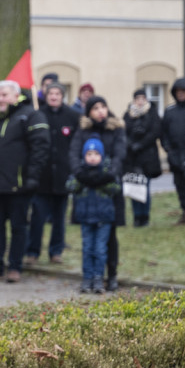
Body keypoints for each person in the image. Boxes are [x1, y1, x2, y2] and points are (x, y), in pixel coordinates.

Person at [0, 79, 50, 283]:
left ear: (16, 96)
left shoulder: (31, 116)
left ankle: (15, 267)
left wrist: (33, 177)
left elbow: (40, 149)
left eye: (4, 95)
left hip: (19, 186)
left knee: (18, 228)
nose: (0, 98)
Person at [69, 95, 126, 291]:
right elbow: (74, 154)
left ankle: (111, 275)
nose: (100, 111)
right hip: (86, 189)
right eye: (95, 108)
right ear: (89, 112)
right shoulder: (83, 131)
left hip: (109, 189)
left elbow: (120, 155)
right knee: (89, 241)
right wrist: (81, 174)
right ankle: (90, 276)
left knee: (110, 237)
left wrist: (108, 175)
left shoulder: (116, 129)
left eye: (103, 107)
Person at [25, 82, 80, 264]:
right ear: (45, 96)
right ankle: (33, 251)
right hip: (42, 176)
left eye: (57, 93)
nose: (54, 97)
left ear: (62, 95)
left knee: (59, 218)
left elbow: (76, 145)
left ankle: (56, 251)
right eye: (51, 94)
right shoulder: (38, 115)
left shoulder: (73, 116)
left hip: (63, 175)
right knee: (37, 217)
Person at [67, 137, 120, 293]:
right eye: (89, 154)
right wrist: (81, 179)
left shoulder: (107, 171)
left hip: (103, 218)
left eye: (96, 154)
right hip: (85, 217)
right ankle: (87, 278)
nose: (92, 157)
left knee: (100, 249)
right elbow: (70, 186)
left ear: (101, 156)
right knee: (87, 248)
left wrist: (102, 180)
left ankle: (98, 278)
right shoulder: (80, 172)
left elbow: (115, 188)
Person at [123, 88, 163, 227]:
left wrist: (141, 143)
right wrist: (131, 144)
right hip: (132, 157)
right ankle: (136, 217)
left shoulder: (152, 113)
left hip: (147, 156)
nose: (140, 101)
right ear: (134, 100)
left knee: (145, 187)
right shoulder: (128, 114)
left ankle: (145, 217)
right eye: (137, 98)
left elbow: (155, 131)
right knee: (134, 187)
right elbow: (123, 132)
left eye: (142, 98)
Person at [160, 77, 185, 222]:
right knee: (179, 185)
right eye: (178, 92)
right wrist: (167, 149)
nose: (181, 94)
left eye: (183, 91)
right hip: (175, 155)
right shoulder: (170, 111)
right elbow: (163, 132)